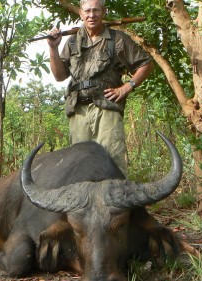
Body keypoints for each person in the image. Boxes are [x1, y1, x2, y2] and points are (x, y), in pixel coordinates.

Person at [47, 0, 153, 177]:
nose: (91, 15)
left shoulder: (117, 39)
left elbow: (145, 64)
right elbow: (59, 76)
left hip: (107, 108)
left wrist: (127, 87)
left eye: (96, 10)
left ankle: (118, 204)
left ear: (104, 12)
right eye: (87, 11)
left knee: (112, 162)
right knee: (79, 166)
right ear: (80, 13)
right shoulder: (72, 42)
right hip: (78, 109)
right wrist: (53, 48)